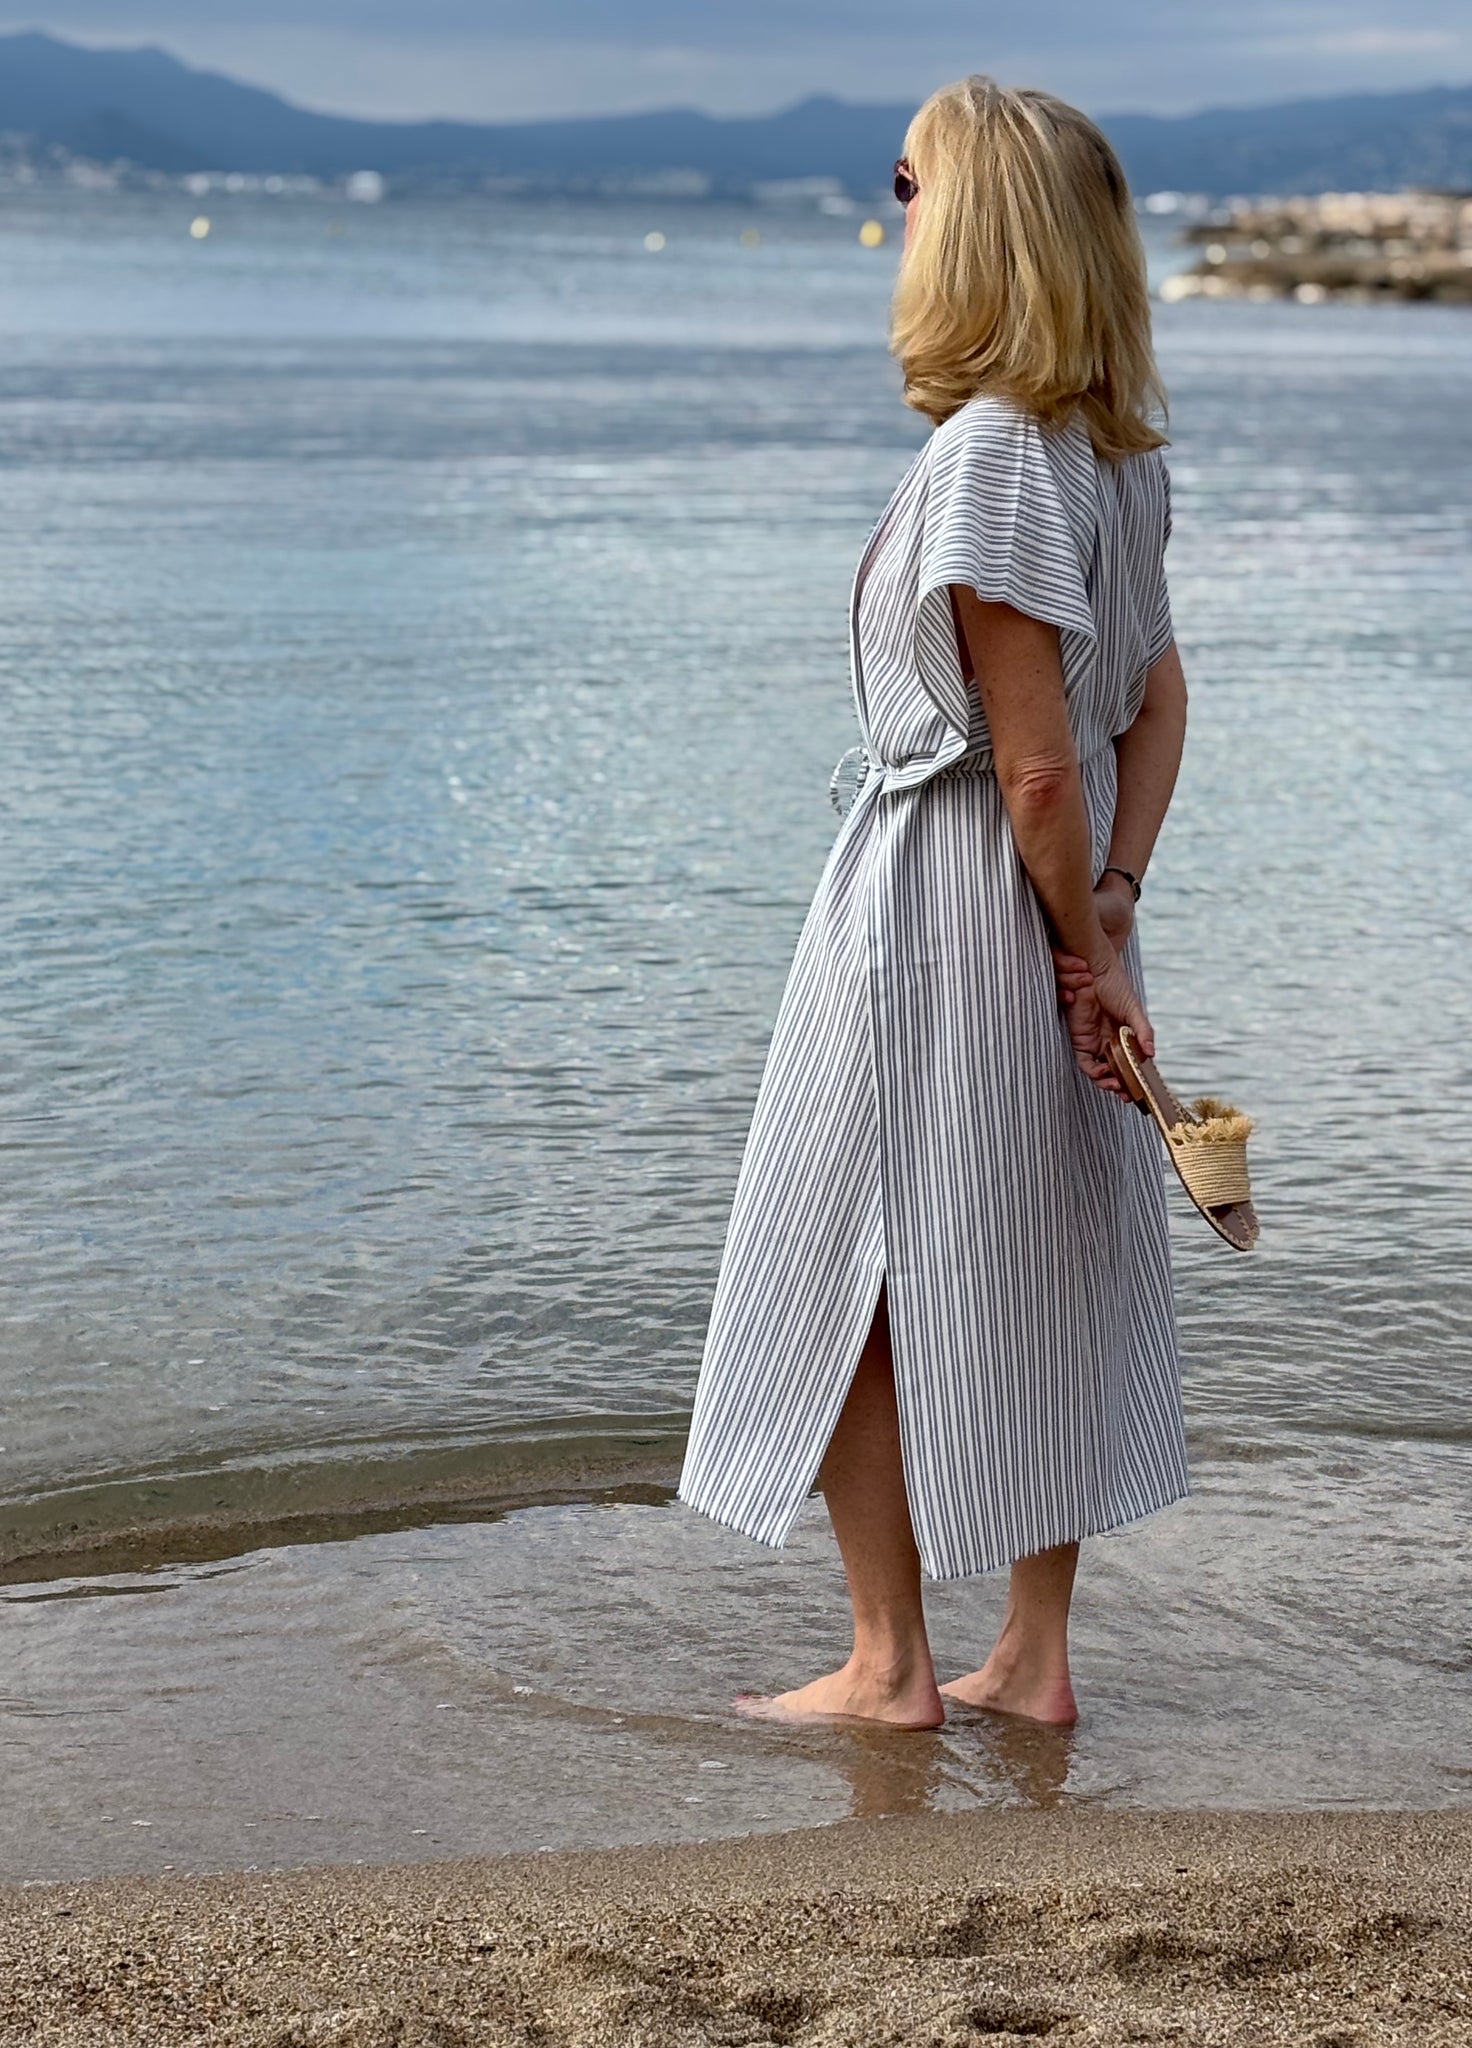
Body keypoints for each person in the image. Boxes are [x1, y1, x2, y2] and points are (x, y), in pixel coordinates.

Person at [677, 76, 1190, 1730]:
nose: (894, 211)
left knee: (837, 1262)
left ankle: (890, 1661)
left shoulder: (989, 460)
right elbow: (1155, 706)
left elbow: (1030, 766)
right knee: (1035, 1258)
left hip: (945, 907)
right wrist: (1112, 915)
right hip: (1054, 898)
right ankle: (1030, 1659)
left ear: (972, 222)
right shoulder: (1113, 458)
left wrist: (1081, 952)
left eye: (909, 182)